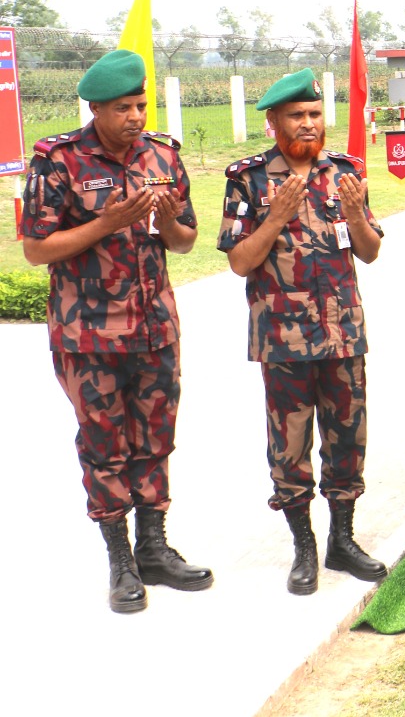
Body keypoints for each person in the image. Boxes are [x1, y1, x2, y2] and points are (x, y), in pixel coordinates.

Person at [22, 49, 214, 614]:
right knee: (104, 447)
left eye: (141, 105)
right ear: (96, 108)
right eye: (122, 107)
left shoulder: (162, 156)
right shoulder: (58, 162)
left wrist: (174, 216)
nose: (135, 116)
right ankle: (120, 560)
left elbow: (183, 242)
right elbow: (36, 250)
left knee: (155, 439)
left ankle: (154, 547)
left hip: (155, 328)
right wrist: (108, 223)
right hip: (89, 335)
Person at [219, 69, 388, 595]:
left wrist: (358, 214)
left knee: (347, 439)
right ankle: (304, 548)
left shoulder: (346, 171)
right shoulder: (248, 179)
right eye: (297, 115)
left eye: (315, 114)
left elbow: (370, 249)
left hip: (343, 335)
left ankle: (342, 538)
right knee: (289, 447)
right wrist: (276, 218)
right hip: (283, 340)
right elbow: (240, 261)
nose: (309, 124)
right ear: (273, 121)